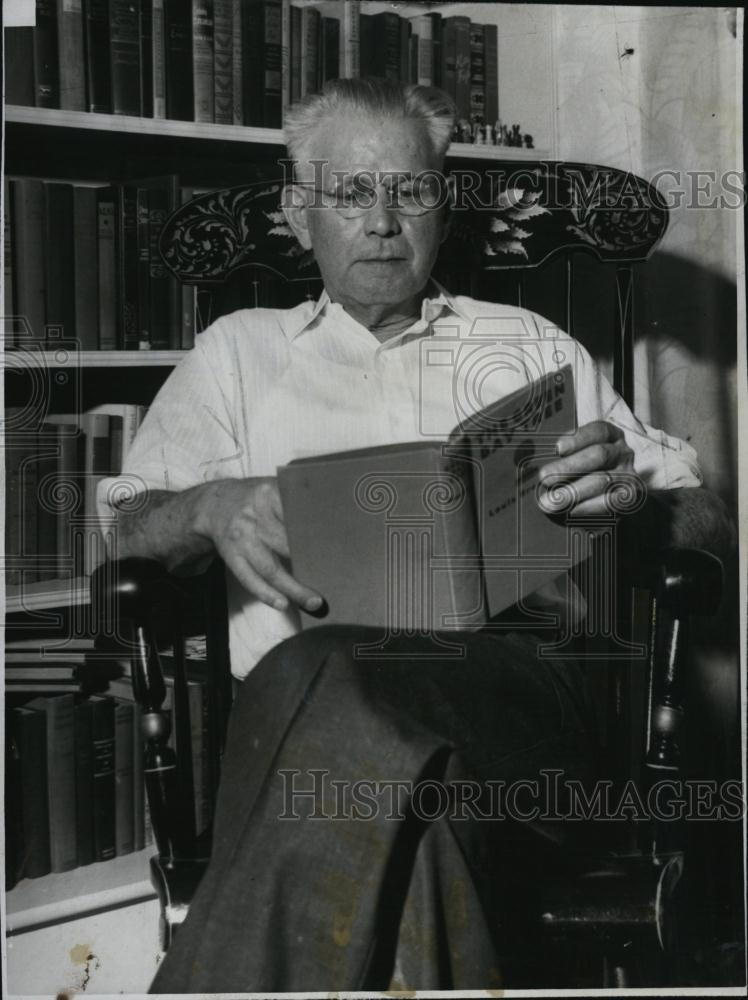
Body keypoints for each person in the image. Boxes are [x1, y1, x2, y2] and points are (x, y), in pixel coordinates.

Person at [102, 80, 734, 991]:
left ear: (444, 204)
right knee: (408, 817)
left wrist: (632, 495)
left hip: (519, 714)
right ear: (298, 210)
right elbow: (123, 528)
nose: (385, 221)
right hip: (310, 746)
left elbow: (709, 530)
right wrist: (207, 505)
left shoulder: (526, 344)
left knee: (315, 667)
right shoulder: (238, 353)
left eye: (412, 190)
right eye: (352, 193)